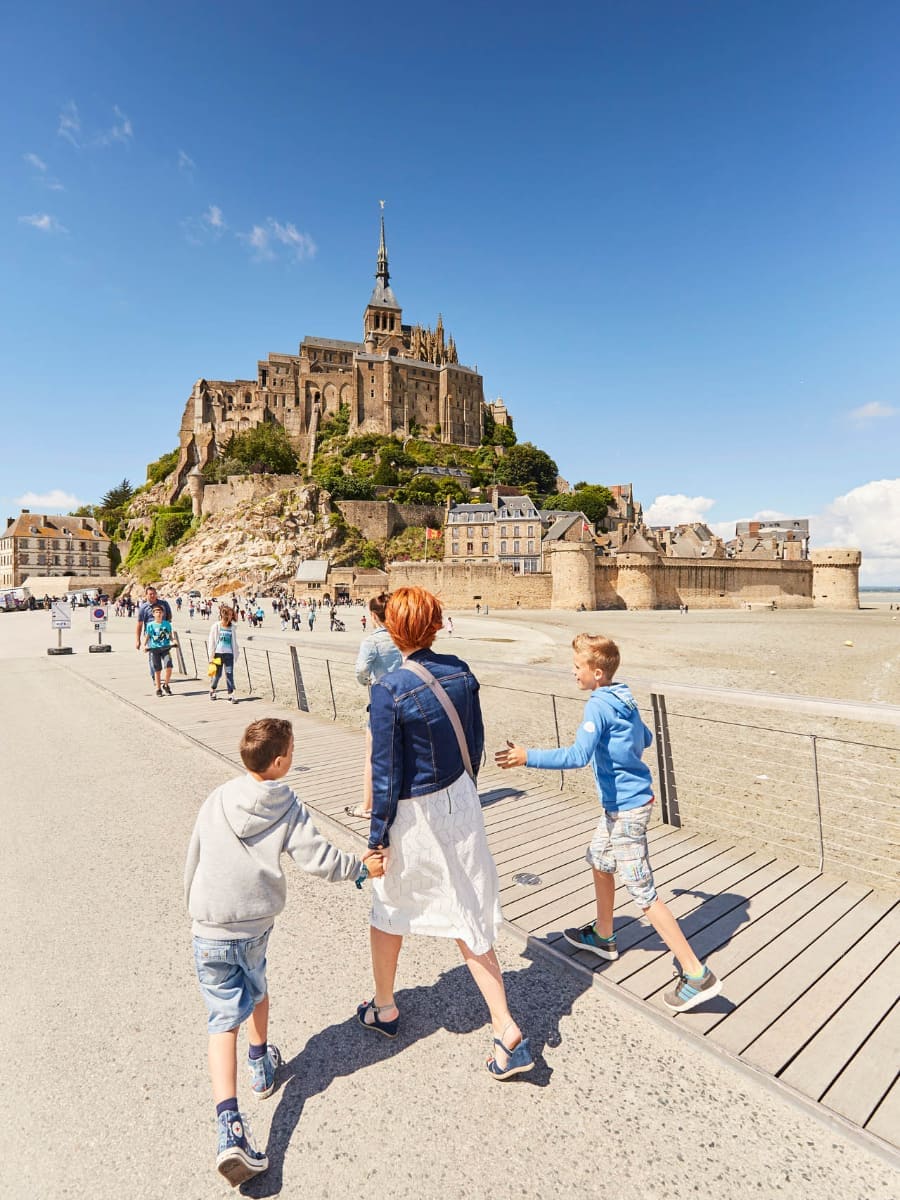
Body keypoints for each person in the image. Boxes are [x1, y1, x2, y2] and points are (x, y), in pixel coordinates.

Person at [185, 718, 384, 1186]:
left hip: (208, 924)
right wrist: (360, 870)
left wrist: (196, 907)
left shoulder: (218, 797)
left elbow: (193, 856)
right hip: (252, 923)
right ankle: (260, 1064)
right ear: (280, 762)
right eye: (292, 751)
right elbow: (318, 858)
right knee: (257, 986)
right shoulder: (286, 803)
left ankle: (228, 1123)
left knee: (220, 1019)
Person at [495, 633, 723, 1013]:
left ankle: (696, 973)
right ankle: (603, 935)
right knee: (600, 859)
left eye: (577, 667)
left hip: (628, 808)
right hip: (626, 803)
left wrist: (526, 756)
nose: (572, 672)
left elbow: (577, 755)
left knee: (643, 891)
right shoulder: (625, 696)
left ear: (597, 673)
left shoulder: (598, 705)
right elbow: (646, 738)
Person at [360, 586, 532, 1080]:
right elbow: (473, 741)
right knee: (466, 908)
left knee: (388, 906)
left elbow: (386, 775)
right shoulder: (460, 671)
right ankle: (503, 1024)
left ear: (393, 630)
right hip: (460, 800)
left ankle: (386, 1007)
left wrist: (377, 838)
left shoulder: (388, 689)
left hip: (416, 813)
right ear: (436, 624)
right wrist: (463, 790)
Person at [344, 592, 402, 820]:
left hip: (383, 701)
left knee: (373, 756)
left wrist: (365, 681)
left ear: (373, 616)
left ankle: (367, 806)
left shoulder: (372, 642)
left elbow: (360, 671)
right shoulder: (403, 638)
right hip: (407, 697)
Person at [135, 585, 172, 682]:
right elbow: (139, 624)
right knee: (152, 655)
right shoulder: (143, 607)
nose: (152, 596)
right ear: (146, 595)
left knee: (165, 653)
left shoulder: (164, 604)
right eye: (150, 594)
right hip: (150, 635)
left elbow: (169, 617)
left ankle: (162, 672)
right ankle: (154, 676)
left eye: (154, 594)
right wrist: (138, 640)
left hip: (163, 634)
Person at [207, 605, 241, 702]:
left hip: (229, 654)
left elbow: (233, 641)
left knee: (229, 674)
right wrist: (211, 656)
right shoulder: (216, 626)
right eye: (229, 614)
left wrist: (236, 652)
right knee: (217, 675)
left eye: (231, 614)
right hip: (218, 654)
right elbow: (212, 642)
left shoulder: (232, 627)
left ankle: (231, 694)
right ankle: (212, 690)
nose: (230, 616)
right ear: (223, 615)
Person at [143, 603, 174, 697]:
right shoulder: (150, 625)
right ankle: (158, 688)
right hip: (154, 649)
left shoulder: (167, 624)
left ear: (163, 613)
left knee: (169, 665)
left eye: (160, 612)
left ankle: (166, 684)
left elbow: (170, 636)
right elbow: (148, 636)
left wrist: (174, 641)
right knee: (157, 670)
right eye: (156, 612)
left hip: (165, 648)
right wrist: (144, 645)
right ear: (153, 614)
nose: (158, 613)